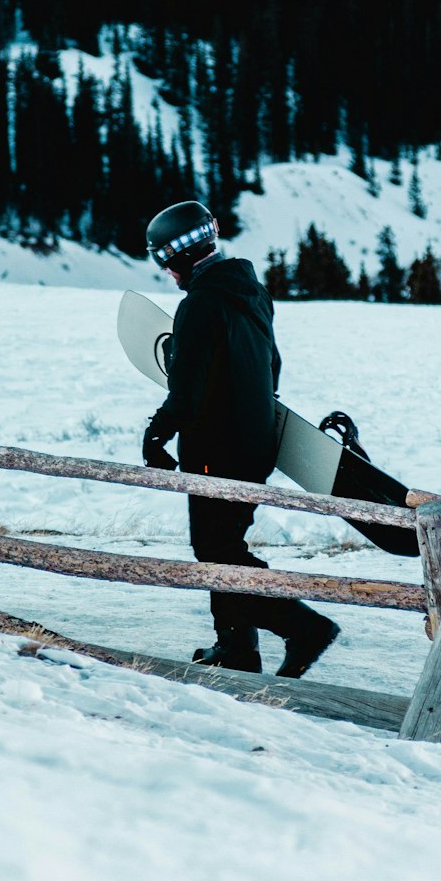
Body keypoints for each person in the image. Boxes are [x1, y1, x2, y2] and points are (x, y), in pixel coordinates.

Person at [141, 199, 339, 677]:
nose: (167, 274)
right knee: (223, 545)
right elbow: (271, 367)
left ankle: (301, 627)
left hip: (216, 448)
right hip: (256, 441)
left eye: (165, 262)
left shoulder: (200, 306)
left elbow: (186, 390)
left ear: (180, 256)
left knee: (217, 550)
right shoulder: (249, 292)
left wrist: (156, 434)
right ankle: (235, 648)